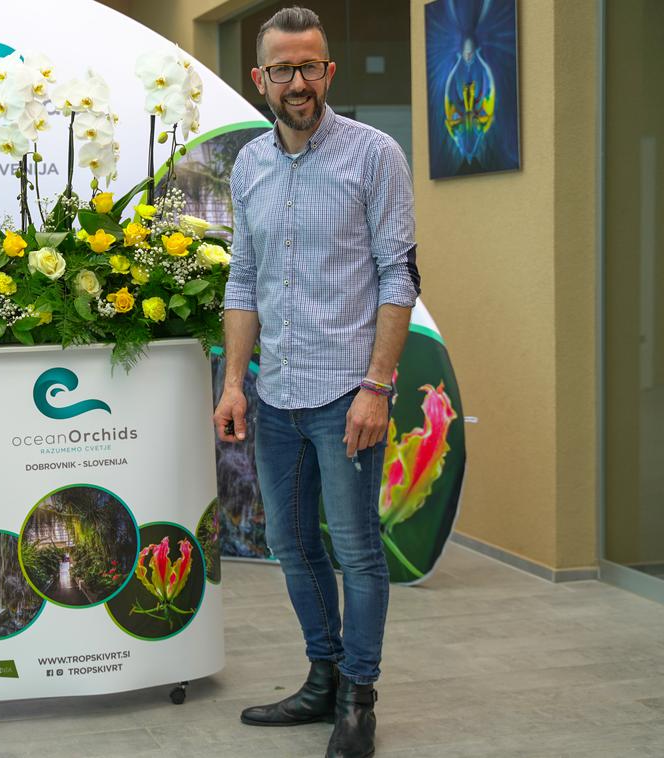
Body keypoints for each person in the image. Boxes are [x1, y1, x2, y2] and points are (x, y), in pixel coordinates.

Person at [212, 7, 420, 758]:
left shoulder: (374, 155)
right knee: (293, 548)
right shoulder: (249, 165)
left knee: (358, 551)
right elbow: (244, 279)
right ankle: (322, 678)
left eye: (311, 67)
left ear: (329, 72)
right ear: (259, 78)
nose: (297, 82)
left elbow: (399, 276)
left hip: (346, 395)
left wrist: (378, 385)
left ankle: (360, 698)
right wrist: (235, 382)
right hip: (276, 395)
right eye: (283, 69)